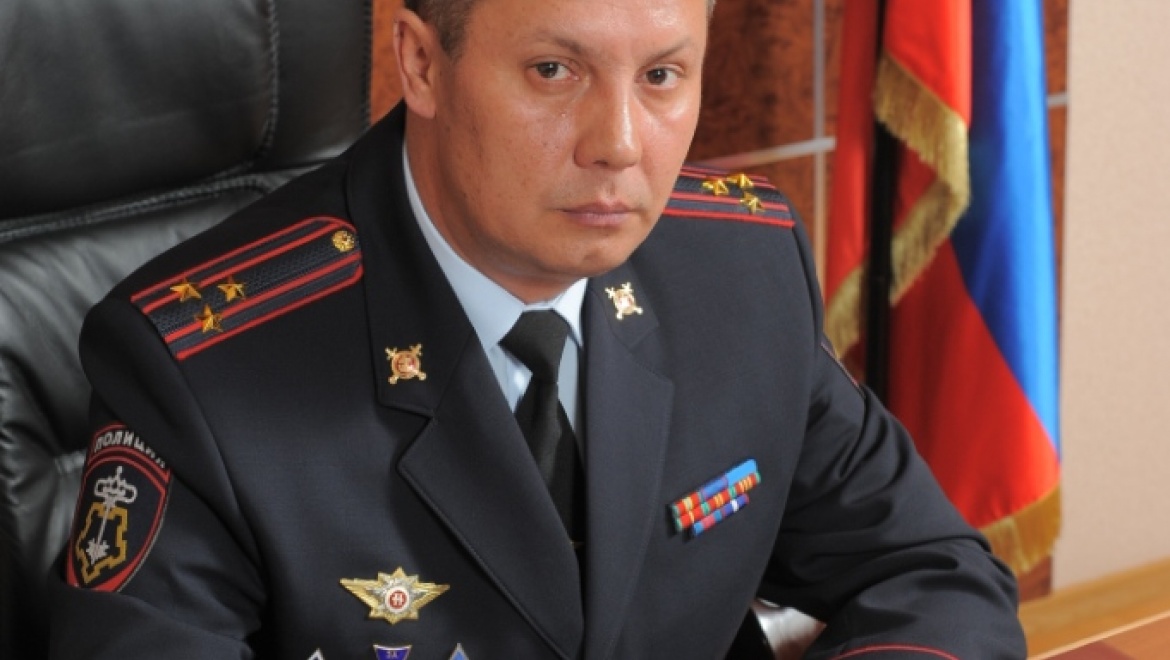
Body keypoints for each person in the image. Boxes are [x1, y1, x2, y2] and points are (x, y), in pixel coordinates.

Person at [49, 0, 1026, 657]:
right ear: (422, 64)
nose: (619, 145)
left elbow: (933, 571)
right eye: (555, 70)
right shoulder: (198, 368)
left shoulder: (740, 274)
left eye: (662, 76)